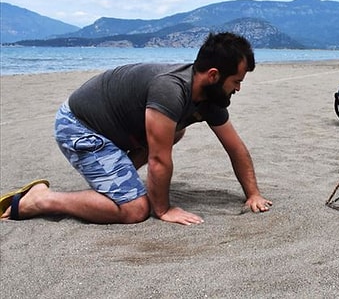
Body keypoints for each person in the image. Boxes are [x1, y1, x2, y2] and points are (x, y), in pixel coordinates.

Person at [0, 32, 272, 225]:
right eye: (236, 81)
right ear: (213, 75)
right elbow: (158, 160)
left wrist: (253, 194)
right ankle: (40, 199)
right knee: (134, 209)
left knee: (175, 131)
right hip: (79, 127)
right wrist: (163, 210)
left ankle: (118, 180)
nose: (238, 88)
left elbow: (236, 149)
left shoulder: (211, 97)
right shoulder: (170, 89)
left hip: (113, 130)